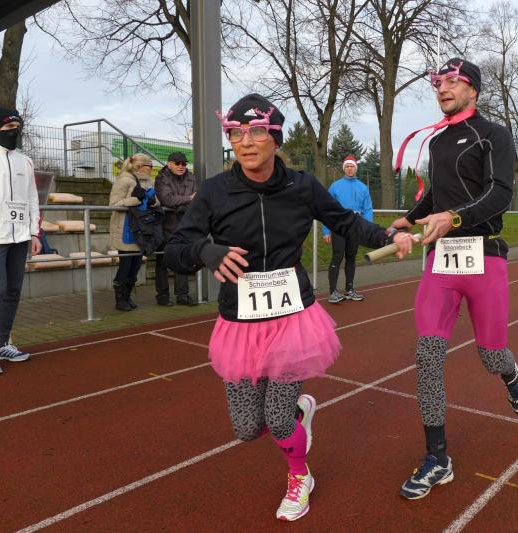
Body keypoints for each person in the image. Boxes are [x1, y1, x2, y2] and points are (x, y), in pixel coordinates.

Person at [165, 94, 415, 521]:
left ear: (275, 137)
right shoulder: (215, 192)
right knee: (247, 428)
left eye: (256, 131)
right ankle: (302, 412)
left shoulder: (301, 186)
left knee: (278, 420)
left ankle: (300, 475)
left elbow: (345, 221)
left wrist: (388, 237)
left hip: (291, 319)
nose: (246, 142)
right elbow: (176, 248)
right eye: (236, 134)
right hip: (239, 323)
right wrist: (206, 252)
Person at [390, 58, 518, 499]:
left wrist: (454, 218)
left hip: (484, 255)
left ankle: (510, 373)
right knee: (427, 354)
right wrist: (409, 218)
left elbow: (501, 193)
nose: (442, 88)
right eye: (438, 82)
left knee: (491, 356)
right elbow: (437, 194)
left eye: (453, 81)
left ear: (474, 89)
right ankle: (438, 458)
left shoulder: (495, 135)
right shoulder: (438, 142)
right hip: (442, 261)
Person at [0, 107, 41, 372]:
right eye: (8, 128)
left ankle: (3, 342)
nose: (14, 132)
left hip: (20, 237)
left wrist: (34, 233)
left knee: (13, 291)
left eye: (17, 127)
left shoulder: (25, 161)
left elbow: (33, 198)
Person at [108, 153, 158, 311]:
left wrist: (153, 201)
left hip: (141, 229)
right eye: (150, 166)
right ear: (140, 166)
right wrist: (136, 200)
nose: (151, 169)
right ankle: (120, 299)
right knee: (126, 265)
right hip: (126, 230)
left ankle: (127, 296)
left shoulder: (149, 181)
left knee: (136, 265)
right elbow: (113, 204)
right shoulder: (124, 180)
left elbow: (156, 201)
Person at [322, 155, 373, 304]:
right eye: (347, 166)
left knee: (351, 258)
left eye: (352, 166)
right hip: (339, 226)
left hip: (355, 227)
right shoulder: (335, 186)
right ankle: (333, 292)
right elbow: (327, 210)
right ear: (344, 168)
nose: (350, 169)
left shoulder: (363, 188)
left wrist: (367, 229)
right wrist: (326, 231)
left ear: (356, 168)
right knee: (337, 256)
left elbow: (367, 209)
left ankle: (349, 290)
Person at [154, 151, 198, 306]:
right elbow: (167, 200)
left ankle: (182, 295)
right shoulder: (161, 178)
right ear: (169, 164)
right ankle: (162, 296)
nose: (181, 166)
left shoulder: (191, 177)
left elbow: (198, 199)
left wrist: (181, 202)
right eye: (178, 163)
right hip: (165, 226)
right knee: (163, 262)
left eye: (184, 163)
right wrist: (188, 199)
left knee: (182, 260)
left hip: (184, 226)